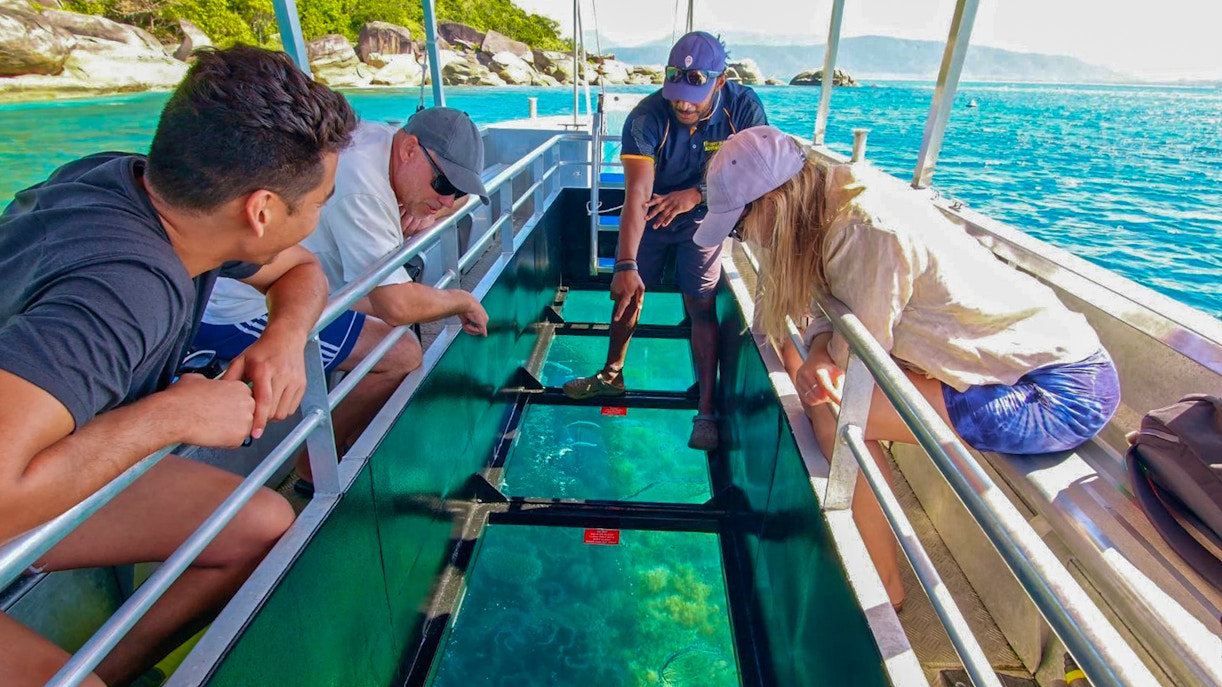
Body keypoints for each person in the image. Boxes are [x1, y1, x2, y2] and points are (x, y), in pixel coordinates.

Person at [0, 46, 356, 686]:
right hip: (8, 492)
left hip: (35, 450)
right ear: (263, 210)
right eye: (320, 201)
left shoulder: (136, 187)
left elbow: (300, 270)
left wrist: (285, 333)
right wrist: (173, 414)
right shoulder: (127, 292)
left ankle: (103, 671)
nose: (318, 216)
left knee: (257, 528)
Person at [696, 125, 1120, 609]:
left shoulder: (865, 229)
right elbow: (835, 318)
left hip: (1057, 390)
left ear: (771, 203)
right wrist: (816, 350)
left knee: (837, 413)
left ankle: (884, 593)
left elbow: (862, 358)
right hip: (1023, 363)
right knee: (821, 384)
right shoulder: (834, 203)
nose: (743, 236)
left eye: (738, 224)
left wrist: (819, 360)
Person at [195, 107, 491, 493]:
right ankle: (315, 470)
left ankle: (347, 438)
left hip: (308, 283)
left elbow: (386, 290)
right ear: (410, 150)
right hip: (240, 308)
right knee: (402, 353)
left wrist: (426, 210)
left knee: (390, 328)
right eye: (444, 185)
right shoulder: (363, 185)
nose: (448, 200)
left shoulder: (376, 141)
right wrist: (462, 300)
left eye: (459, 191)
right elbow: (396, 307)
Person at [561, 31, 767, 451]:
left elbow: (757, 171)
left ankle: (706, 410)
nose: (684, 104)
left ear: (721, 81)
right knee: (628, 293)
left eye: (695, 93)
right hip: (653, 211)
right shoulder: (646, 117)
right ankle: (611, 376)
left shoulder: (744, 108)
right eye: (676, 94)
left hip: (708, 215)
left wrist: (696, 195)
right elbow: (636, 195)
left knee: (701, 303)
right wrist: (625, 265)